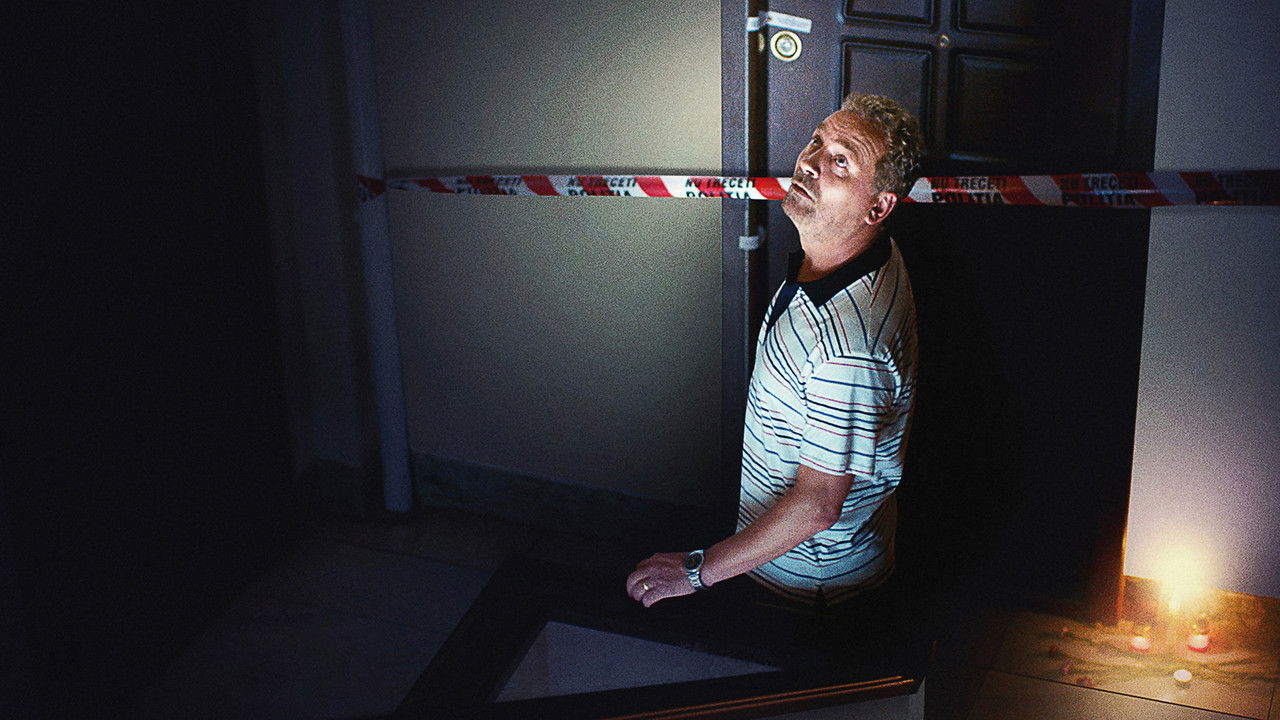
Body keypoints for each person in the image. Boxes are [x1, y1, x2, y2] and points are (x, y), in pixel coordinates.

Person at [627, 93, 923, 610]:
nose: (809, 162)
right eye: (817, 141)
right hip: (792, 558)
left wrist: (696, 573)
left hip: (809, 584)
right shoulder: (851, 252)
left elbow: (817, 506)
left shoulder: (849, 353)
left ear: (878, 208)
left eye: (841, 162)